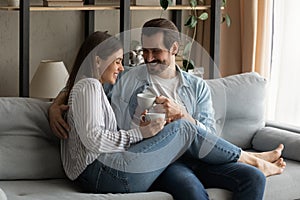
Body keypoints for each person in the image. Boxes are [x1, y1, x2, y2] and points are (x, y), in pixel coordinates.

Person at [49, 22, 285, 200]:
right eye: (145, 51)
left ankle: (252, 162)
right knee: (190, 189)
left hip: (198, 158)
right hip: (161, 162)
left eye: (156, 51)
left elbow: (209, 135)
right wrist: (54, 106)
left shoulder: (197, 87)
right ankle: (251, 158)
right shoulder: (128, 78)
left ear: (174, 48)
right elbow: (87, 82)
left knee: (253, 179)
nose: (149, 58)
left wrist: (183, 113)